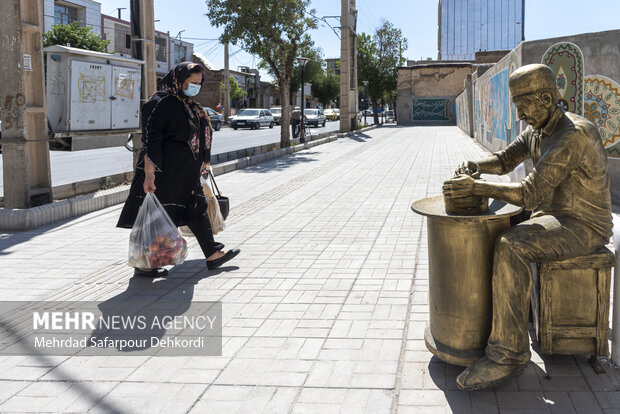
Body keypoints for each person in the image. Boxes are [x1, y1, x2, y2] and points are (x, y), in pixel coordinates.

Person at [442, 64, 613, 390]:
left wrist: (477, 189)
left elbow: (531, 193)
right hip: (555, 214)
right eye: (516, 104)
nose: (519, 113)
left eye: (523, 104)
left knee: (512, 245)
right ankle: (509, 320)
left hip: (584, 225)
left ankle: (507, 355)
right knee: (501, 223)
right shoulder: (538, 130)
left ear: (547, 99)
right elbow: (506, 160)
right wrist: (476, 166)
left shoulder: (571, 136)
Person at [117, 62, 240, 277]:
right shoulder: (159, 103)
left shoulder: (187, 104)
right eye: (191, 83)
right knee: (157, 217)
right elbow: (151, 142)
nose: (195, 87)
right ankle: (144, 264)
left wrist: (201, 163)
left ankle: (212, 254)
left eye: (198, 84)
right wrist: (149, 174)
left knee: (196, 208)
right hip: (165, 174)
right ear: (178, 79)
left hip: (186, 173)